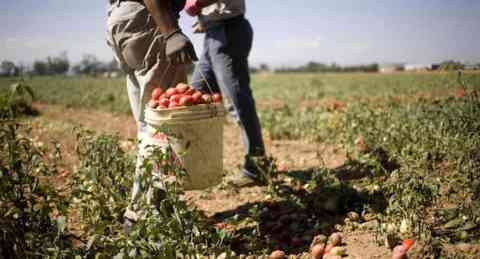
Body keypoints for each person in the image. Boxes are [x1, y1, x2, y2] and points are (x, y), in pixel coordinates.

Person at [106, 0, 197, 231]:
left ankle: (151, 212)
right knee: (164, 127)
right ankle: (143, 216)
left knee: (150, 126)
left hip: (124, 20)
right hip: (149, 19)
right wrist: (171, 32)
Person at [184, 0, 268, 186]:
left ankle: (257, 168)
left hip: (229, 31)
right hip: (213, 32)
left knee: (237, 102)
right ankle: (199, 166)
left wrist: (196, 4)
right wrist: (204, 17)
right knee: (196, 96)